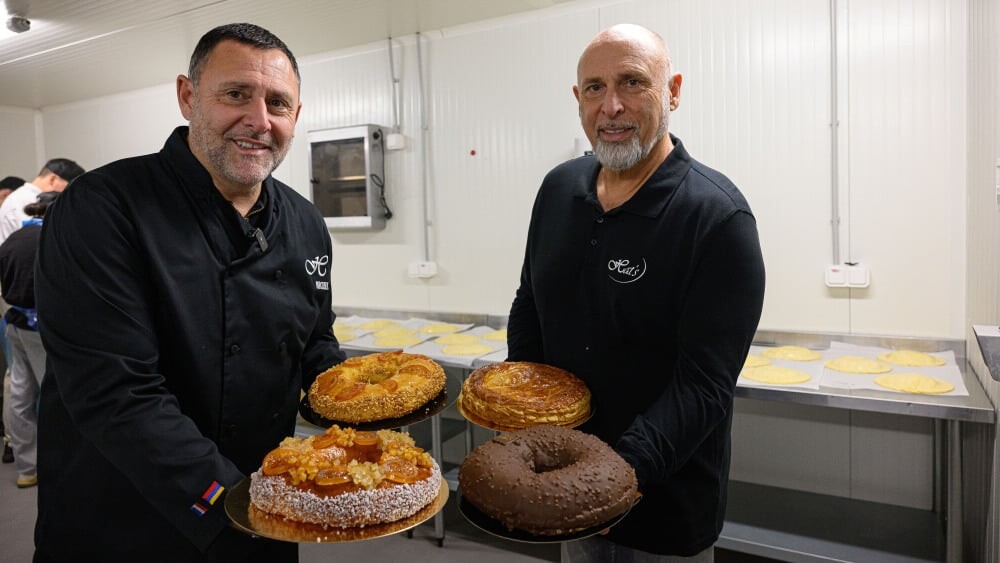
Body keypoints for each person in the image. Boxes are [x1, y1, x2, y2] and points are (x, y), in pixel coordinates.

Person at [33, 23, 345, 562]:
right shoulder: (103, 209)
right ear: (188, 96)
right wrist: (235, 504)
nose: (259, 120)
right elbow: (116, 394)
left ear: (295, 116)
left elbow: (315, 342)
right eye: (236, 95)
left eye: (278, 103)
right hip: (124, 522)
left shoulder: (305, 221)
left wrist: (366, 407)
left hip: (262, 509)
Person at [507, 24, 766, 562]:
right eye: (596, 88)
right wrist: (531, 429)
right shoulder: (558, 191)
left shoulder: (717, 218)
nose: (613, 106)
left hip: (664, 513)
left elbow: (704, 386)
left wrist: (610, 478)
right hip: (565, 488)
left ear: (672, 91)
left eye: (632, 83)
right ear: (578, 100)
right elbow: (530, 306)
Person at [0, 192, 60, 488]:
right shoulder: (50, 240)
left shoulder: (13, 239)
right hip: (41, 328)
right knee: (55, 397)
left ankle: (27, 468)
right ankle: (59, 466)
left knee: (19, 396)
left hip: (12, 324)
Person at [0, 161, 83, 244]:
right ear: (52, 179)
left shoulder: (27, 197)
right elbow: (37, 238)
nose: (70, 193)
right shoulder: (24, 200)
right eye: (69, 187)